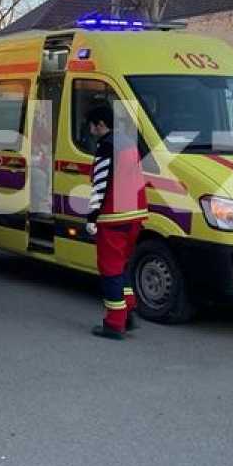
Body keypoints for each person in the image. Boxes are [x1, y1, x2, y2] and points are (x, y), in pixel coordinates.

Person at [85, 103, 148, 340]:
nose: (90, 131)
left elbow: (100, 184)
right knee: (122, 268)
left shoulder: (106, 147)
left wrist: (92, 216)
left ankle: (114, 324)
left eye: (91, 126)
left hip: (113, 218)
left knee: (110, 270)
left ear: (101, 125)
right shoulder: (128, 143)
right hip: (135, 215)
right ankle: (128, 313)